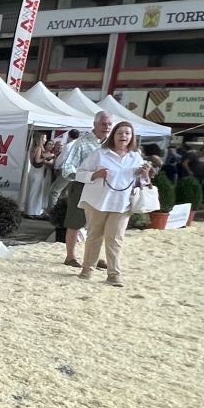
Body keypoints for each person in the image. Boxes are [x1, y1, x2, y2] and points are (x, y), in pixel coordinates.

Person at [77, 121, 150, 287]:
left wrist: (145, 175)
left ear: (132, 137)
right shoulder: (100, 154)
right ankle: (87, 269)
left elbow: (141, 183)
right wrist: (95, 175)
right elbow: (79, 174)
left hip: (122, 204)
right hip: (97, 202)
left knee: (115, 239)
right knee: (94, 236)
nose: (123, 136)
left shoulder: (136, 157)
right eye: (120, 133)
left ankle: (114, 274)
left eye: (127, 133)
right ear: (113, 135)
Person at [57, 111, 112, 268]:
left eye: (109, 124)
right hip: (81, 186)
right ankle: (70, 256)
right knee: (75, 222)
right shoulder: (82, 143)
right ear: (95, 124)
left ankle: (94, 257)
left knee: (98, 225)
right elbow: (67, 166)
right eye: (103, 124)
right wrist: (84, 176)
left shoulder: (111, 144)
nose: (107, 127)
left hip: (103, 188)